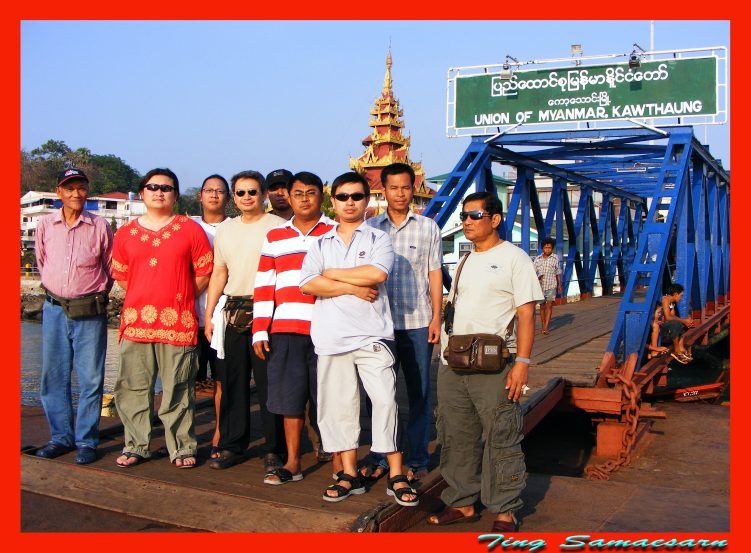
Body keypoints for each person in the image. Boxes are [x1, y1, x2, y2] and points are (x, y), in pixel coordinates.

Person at [300, 171, 418, 507]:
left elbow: (377, 274)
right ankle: (349, 473)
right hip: (331, 337)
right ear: (332, 202)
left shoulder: (378, 238)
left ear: (367, 201)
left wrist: (332, 274)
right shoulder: (319, 243)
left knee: (385, 401)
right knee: (339, 407)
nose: (349, 202)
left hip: (372, 335)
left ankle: (396, 471)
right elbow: (308, 284)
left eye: (356, 196)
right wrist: (352, 286)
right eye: (342, 197)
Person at [427, 191, 543, 531]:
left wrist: (522, 362)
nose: (466, 221)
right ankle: (462, 502)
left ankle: (505, 509)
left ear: (495, 219)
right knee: (455, 433)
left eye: (475, 215)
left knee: (501, 434)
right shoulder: (464, 259)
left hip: (494, 365)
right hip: (454, 362)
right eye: (464, 216)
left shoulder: (514, 258)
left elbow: (526, 314)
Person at [112, 168, 213, 469]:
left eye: (166, 188)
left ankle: (182, 447)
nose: (159, 192)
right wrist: (146, 297)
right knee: (133, 387)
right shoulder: (125, 233)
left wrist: (177, 296)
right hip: (136, 322)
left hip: (178, 323)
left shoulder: (190, 229)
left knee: (179, 388)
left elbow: (204, 272)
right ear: (142, 193)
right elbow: (123, 277)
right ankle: (136, 444)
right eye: (152, 187)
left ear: (175, 195)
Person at [252, 171, 335, 484]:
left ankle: (340, 462)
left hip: (328, 327)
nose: (304, 199)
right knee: (290, 398)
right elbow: (264, 285)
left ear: (321, 196)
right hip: (285, 328)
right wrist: (260, 330)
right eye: (298, 193)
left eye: (311, 193)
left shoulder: (335, 231)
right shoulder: (276, 236)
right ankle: (292, 461)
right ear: (289, 196)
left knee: (329, 395)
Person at [364, 162, 442, 483]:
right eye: (393, 187)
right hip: (379, 324)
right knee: (380, 394)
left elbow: (434, 273)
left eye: (405, 187)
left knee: (419, 393)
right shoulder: (370, 228)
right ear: (384, 190)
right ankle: (381, 454)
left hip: (417, 321)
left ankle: (418, 456)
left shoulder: (428, 228)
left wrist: (437, 316)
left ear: (413, 188)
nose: (400, 193)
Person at [204, 170, 286, 471]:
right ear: (233, 197)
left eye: (253, 192)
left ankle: (274, 448)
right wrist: (210, 313)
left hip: (268, 310)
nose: (247, 197)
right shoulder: (225, 229)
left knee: (268, 383)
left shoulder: (278, 226)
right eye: (240, 192)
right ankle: (231, 445)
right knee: (232, 382)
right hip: (232, 309)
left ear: (263, 194)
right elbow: (219, 272)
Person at [34, 168, 113, 465]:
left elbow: (109, 268)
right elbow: (42, 262)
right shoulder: (45, 225)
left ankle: (86, 441)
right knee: (53, 376)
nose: (76, 193)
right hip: (54, 308)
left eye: (81, 187)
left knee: (91, 378)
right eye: (69, 188)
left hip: (89, 310)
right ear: (59, 192)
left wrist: (93, 294)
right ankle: (60, 437)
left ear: (87, 191)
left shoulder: (99, 226)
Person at [191, 174, 229, 459]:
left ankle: (220, 432)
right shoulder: (187, 228)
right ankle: (184, 434)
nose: (214, 195)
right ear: (200, 196)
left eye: (220, 191)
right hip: (188, 315)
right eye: (209, 190)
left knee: (222, 380)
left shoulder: (237, 228)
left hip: (224, 317)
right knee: (185, 379)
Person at [533, 237, 562, 335]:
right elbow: (533, 272)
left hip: (551, 285)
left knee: (549, 305)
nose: (547, 249)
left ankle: (546, 327)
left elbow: (558, 272)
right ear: (542, 248)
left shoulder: (555, 258)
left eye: (549, 248)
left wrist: (559, 285)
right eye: (546, 247)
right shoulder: (537, 259)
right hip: (540, 286)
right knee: (542, 306)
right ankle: (543, 324)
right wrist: (537, 278)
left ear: (552, 248)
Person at [660, 283, 695, 364]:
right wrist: (683, 321)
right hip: (661, 329)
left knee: (685, 324)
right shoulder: (665, 299)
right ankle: (676, 350)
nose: (681, 297)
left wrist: (686, 321)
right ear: (675, 294)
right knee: (676, 324)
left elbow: (673, 316)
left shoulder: (672, 303)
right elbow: (668, 317)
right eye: (681, 295)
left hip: (667, 327)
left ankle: (680, 345)